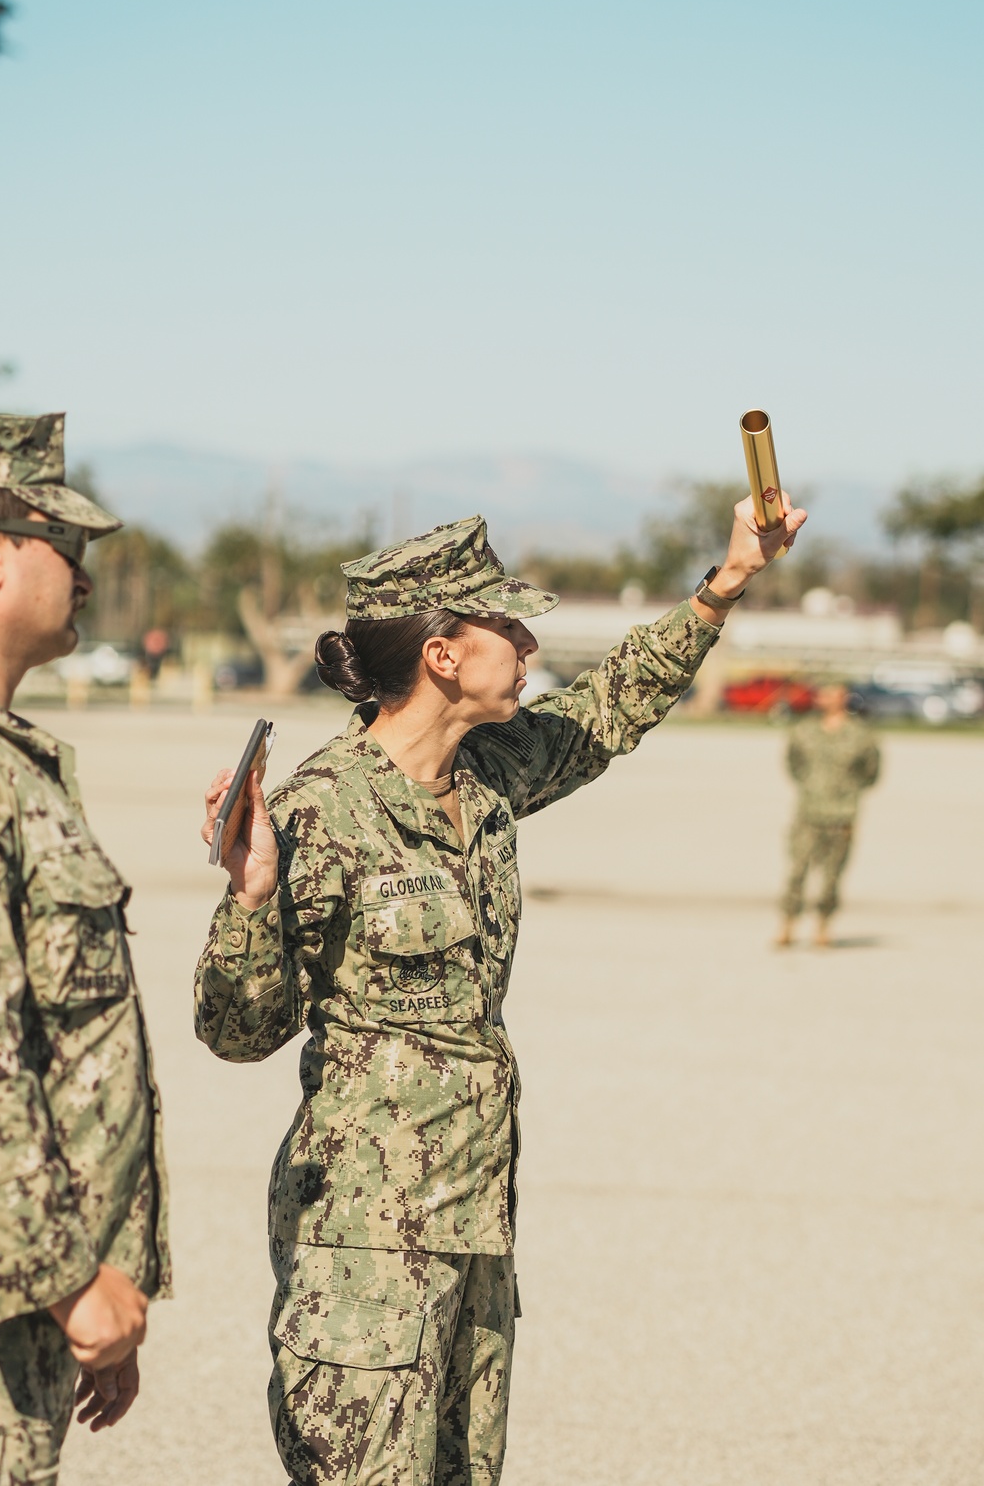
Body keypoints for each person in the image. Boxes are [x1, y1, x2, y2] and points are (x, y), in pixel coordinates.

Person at [196, 495, 806, 1486]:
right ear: (442, 653)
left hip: (473, 1231)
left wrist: (725, 584)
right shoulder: (323, 806)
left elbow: (607, 710)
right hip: (366, 1250)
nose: (528, 642)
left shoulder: (484, 777)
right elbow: (233, 1029)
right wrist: (253, 897)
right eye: (506, 625)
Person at [0, 413, 170, 1484]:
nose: (88, 582)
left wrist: (96, 1278)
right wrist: (69, 1279)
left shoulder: (20, 763)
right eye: (72, 548)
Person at [776, 680, 881, 948]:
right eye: (823, 693)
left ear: (844, 697)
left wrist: (847, 793)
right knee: (797, 871)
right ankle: (787, 924)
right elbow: (793, 764)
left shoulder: (861, 735)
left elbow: (871, 773)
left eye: (832, 694)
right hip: (808, 811)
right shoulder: (804, 731)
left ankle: (823, 926)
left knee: (832, 875)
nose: (826, 699)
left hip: (841, 814)